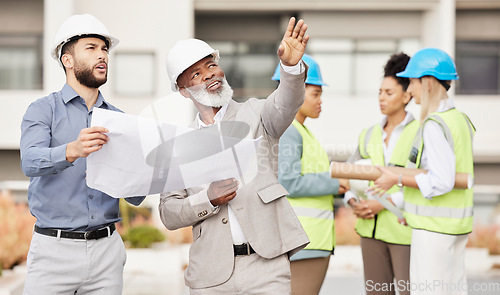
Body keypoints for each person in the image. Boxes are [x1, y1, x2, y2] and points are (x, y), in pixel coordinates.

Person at [159, 17, 310, 294]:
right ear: (183, 91)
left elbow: (288, 101)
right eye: (195, 74)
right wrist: (207, 198)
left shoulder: (257, 113)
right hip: (210, 275)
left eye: (211, 65)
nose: (208, 75)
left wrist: (290, 67)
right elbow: (169, 213)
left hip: (267, 268)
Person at [20, 14, 145, 295]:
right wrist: (72, 150)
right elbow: (29, 162)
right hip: (53, 252)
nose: (102, 55)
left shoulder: (120, 120)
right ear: (68, 60)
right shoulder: (42, 110)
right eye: (91, 48)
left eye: (104, 49)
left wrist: (138, 172)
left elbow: (136, 197)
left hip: (107, 253)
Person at [371, 48, 475, 295]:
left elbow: (441, 180)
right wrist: (403, 204)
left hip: (433, 231)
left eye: (413, 83)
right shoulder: (460, 119)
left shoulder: (434, 124)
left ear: (427, 83)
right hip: (456, 228)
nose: (410, 90)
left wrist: (395, 178)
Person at [274, 54, 349, 295]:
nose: (320, 101)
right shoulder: (290, 131)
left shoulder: (300, 131)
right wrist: (334, 184)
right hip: (304, 242)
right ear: (294, 90)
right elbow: (288, 182)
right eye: (315, 94)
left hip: (309, 240)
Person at [344, 53, 417, 295]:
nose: (381, 98)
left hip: (404, 232)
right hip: (369, 232)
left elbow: (422, 181)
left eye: (389, 93)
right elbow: (348, 175)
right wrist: (353, 202)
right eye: (380, 92)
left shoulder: (421, 132)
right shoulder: (368, 134)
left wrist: (382, 204)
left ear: (407, 95)